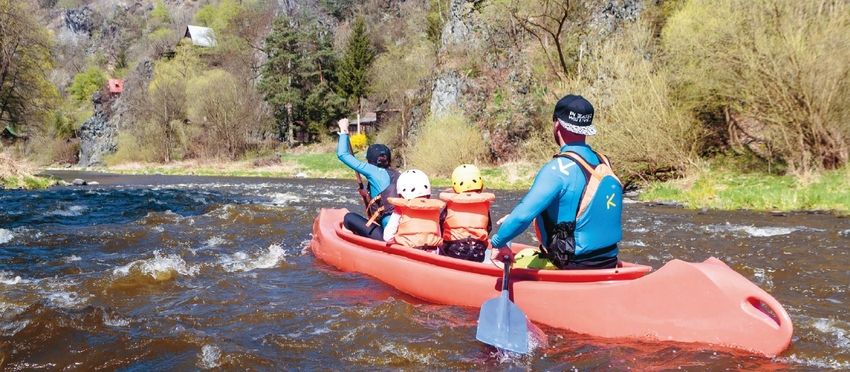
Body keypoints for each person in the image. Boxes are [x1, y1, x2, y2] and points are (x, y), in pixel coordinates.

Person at [489, 94, 623, 269]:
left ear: (557, 123)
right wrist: (518, 218)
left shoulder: (557, 169)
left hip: (572, 265)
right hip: (608, 261)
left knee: (521, 258)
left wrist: (498, 243)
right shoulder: (603, 162)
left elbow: (522, 216)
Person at [336, 118, 400, 241]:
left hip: (388, 235)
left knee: (349, 218)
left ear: (370, 161)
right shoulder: (397, 174)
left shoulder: (373, 171)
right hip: (402, 231)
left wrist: (344, 130)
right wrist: (367, 194)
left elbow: (342, 154)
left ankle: (349, 248)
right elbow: (387, 197)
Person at [438, 164, 494, 262]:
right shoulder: (484, 206)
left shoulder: (450, 205)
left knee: (442, 246)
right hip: (478, 253)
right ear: (481, 187)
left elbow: (441, 224)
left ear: (455, 188)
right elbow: (488, 228)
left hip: (454, 251)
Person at [383, 169, 445, 253]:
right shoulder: (435, 209)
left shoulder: (400, 209)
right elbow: (438, 236)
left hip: (409, 255)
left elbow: (388, 237)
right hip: (432, 256)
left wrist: (400, 241)